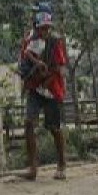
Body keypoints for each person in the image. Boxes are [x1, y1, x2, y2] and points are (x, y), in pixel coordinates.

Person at [20, 10, 68, 180]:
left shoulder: (55, 43)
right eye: (42, 29)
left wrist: (46, 78)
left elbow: (60, 67)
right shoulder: (28, 42)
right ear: (36, 28)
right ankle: (32, 167)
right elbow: (23, 65)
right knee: (28, 122)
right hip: (34, 88)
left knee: (54, 127)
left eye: (47, 28)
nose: (44, 32)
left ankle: (61, 163)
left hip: (51, 89)